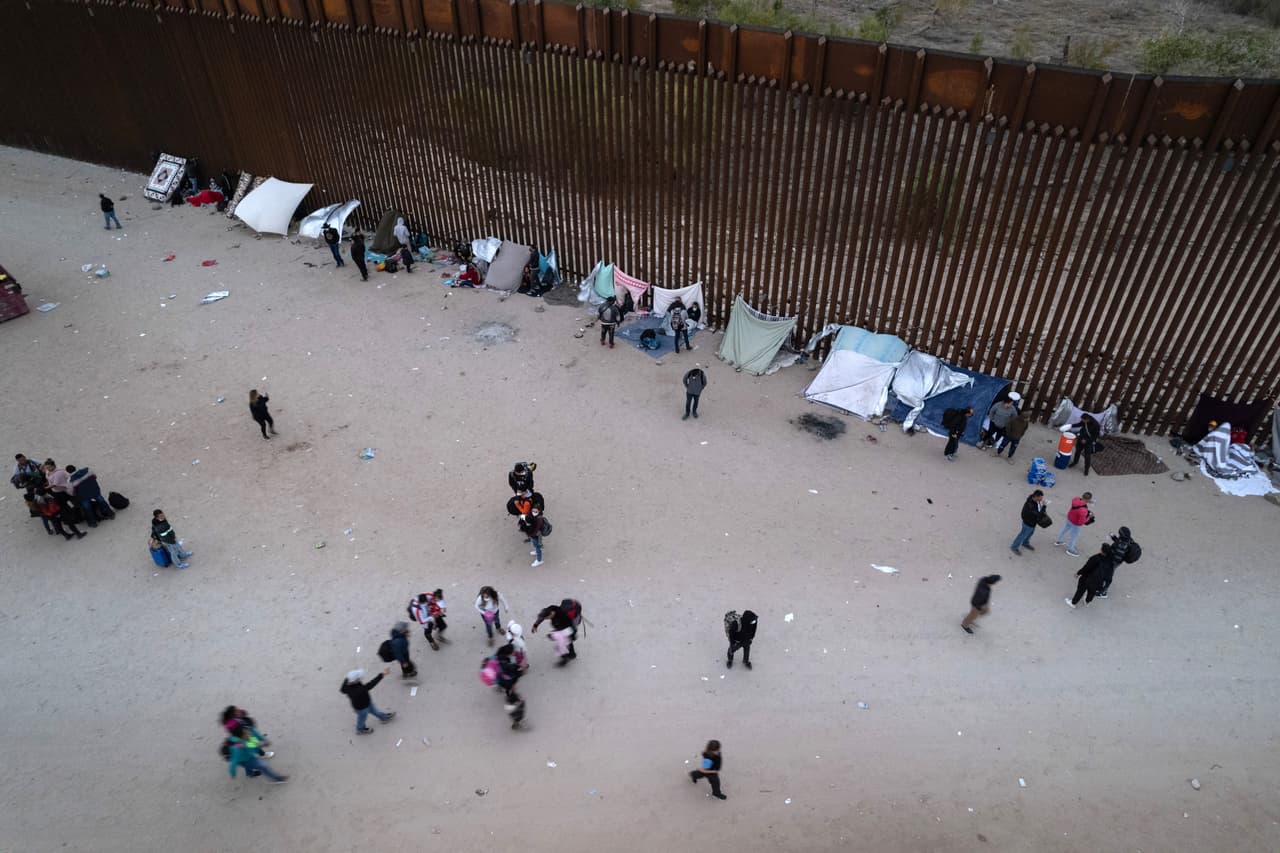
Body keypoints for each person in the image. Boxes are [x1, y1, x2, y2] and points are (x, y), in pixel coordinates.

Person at [340, 669, 396, 734]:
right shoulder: (358, 690)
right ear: (355, 681)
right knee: (362, 718)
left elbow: (342, 689)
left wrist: (348, 678)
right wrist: (382, 675)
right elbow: (370, 684)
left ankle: (383, 717)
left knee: (375, 711)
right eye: (359, 678)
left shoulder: (347, 685)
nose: (361, 679)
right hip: (361, 708)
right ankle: (360, 729)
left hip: (366, 703)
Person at [531, 599, 581, 666]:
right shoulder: (551, 608)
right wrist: (535, 625)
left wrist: (554, 635)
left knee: (561, 646)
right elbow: (542, 616)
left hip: (568, 631)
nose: (546, 619)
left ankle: (565, 659)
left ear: (551, 614)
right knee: (568, 643)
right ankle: (572, 654)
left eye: (547, 618)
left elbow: (567, 629)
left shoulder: (563, 617)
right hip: (563, 629)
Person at [1054, 492, 1093, 556]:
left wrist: (1087, 502)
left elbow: (1080, 501)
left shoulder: (1076, 499)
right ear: (1088, 500)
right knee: (1074, 536)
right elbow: (1081, 522)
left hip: (1069, 518)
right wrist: (1089, 517)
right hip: (1076, 523)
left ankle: (1059, 540)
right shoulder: (1083, 510)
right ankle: (1070, 549)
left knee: (1065, 529)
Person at [1011, 490, 1046, 555]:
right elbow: (1039, 514)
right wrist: (1044, 506)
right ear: (1036, 496)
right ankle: (1014, 547)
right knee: (1022, 535)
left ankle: (1025, 543)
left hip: (1032, 522)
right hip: (1028, 523)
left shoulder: (1033, 500)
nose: (1041, 499)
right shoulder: (1031, 506)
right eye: (1040, 498)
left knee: (1030, 533)